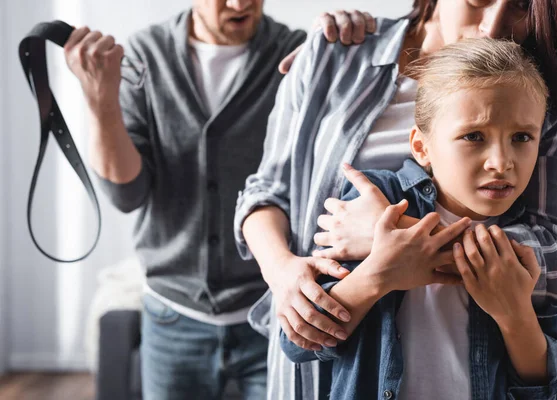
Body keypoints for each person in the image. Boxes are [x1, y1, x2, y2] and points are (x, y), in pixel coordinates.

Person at [235, 0, 557, 398]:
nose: (493, 26)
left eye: (521, 6)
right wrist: (282, 270)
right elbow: (267, 190)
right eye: (478, 1)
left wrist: (391, 237)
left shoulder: (538, 92)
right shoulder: (338, 48)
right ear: (419, 145)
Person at [62, 1, 375, 399]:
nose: (241, 4)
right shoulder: (143, 57)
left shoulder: (295, 51)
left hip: (270, 313)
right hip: (173, 316)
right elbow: (127, 194)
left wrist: (362, 34)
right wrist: (101, 101)